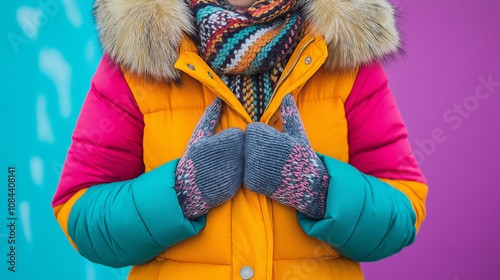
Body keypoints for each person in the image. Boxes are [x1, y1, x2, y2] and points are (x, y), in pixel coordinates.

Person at [52, 0, 428, 279]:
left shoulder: (345, 54)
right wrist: (179, 194)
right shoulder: (138, 60)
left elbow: (402, 213)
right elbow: (80, 215)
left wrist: (321, 190)